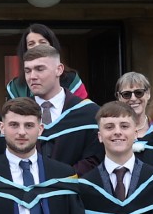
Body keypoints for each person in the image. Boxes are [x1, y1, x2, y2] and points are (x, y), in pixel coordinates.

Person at [23, 45, 100, 174]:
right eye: (27, 71)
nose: (32, 76)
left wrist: (63, 180)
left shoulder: (88, 113)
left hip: (75, 189)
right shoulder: (17, 115)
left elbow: (94, 158)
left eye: (39, 69)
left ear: (59, 70)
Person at [7, 24, 88, 102]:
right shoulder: (16, 87)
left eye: (43, 42)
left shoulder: (71, 80)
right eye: (31, 44)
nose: (37, 46)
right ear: (25, 49)